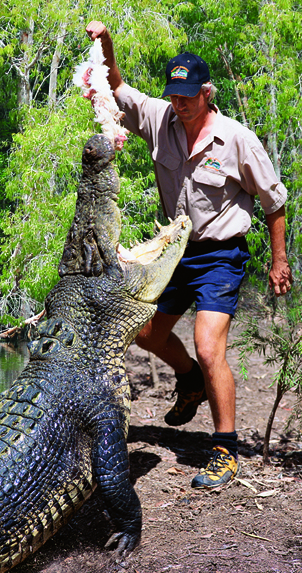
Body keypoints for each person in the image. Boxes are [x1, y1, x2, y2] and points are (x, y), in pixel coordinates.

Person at [85, 21, 294, 489]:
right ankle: (191, 380)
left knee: (208, 344)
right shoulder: (161, 118)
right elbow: (117, 85)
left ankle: (225, 449)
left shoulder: (237, 139)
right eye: (174, 95)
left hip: (221, 255)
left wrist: (279, 261)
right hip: (174, 252)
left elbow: (274, 201)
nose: (179, 104)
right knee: (145, 333)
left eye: (188, 96)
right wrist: (105, 44)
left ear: (207, 93)